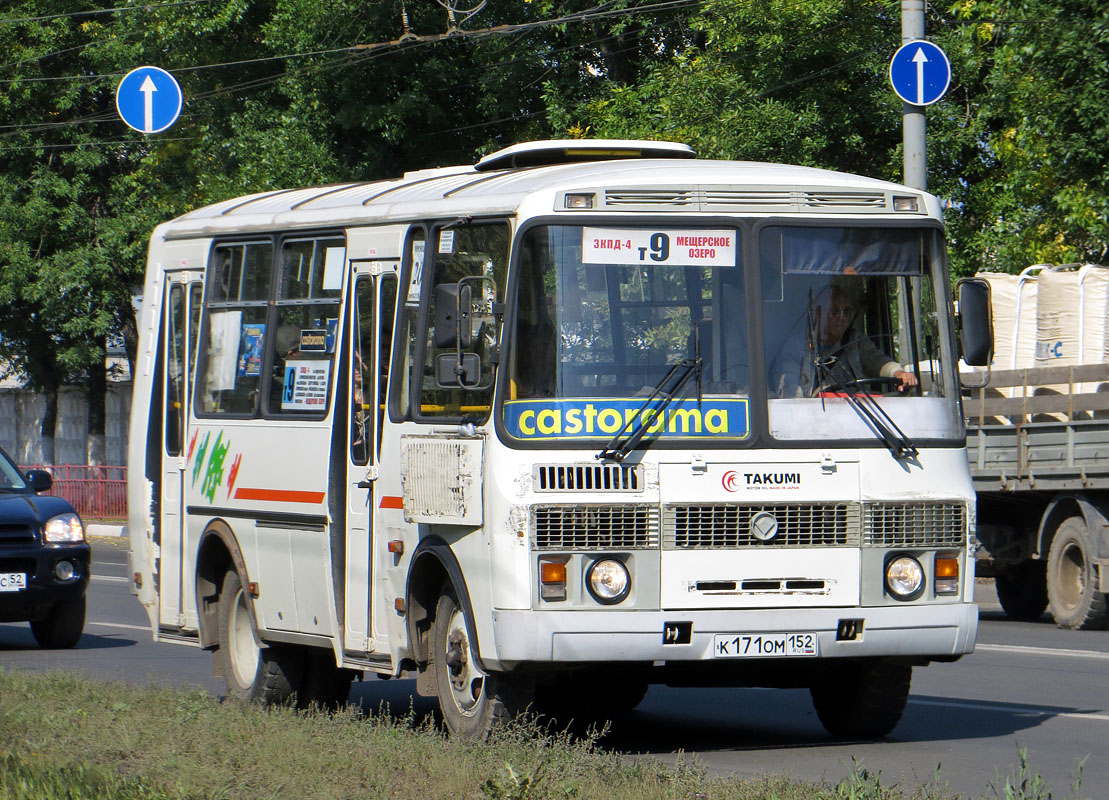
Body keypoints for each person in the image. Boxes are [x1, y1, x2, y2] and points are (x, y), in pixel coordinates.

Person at [802, 282, 918, 394]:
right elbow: (790, 388)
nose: (842, 317)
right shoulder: (799, 348)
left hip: (858, 410)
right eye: (835, 311)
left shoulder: (855, 341)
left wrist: (898, 373)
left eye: (846, 312)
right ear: (818, 313)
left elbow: (877, 360)